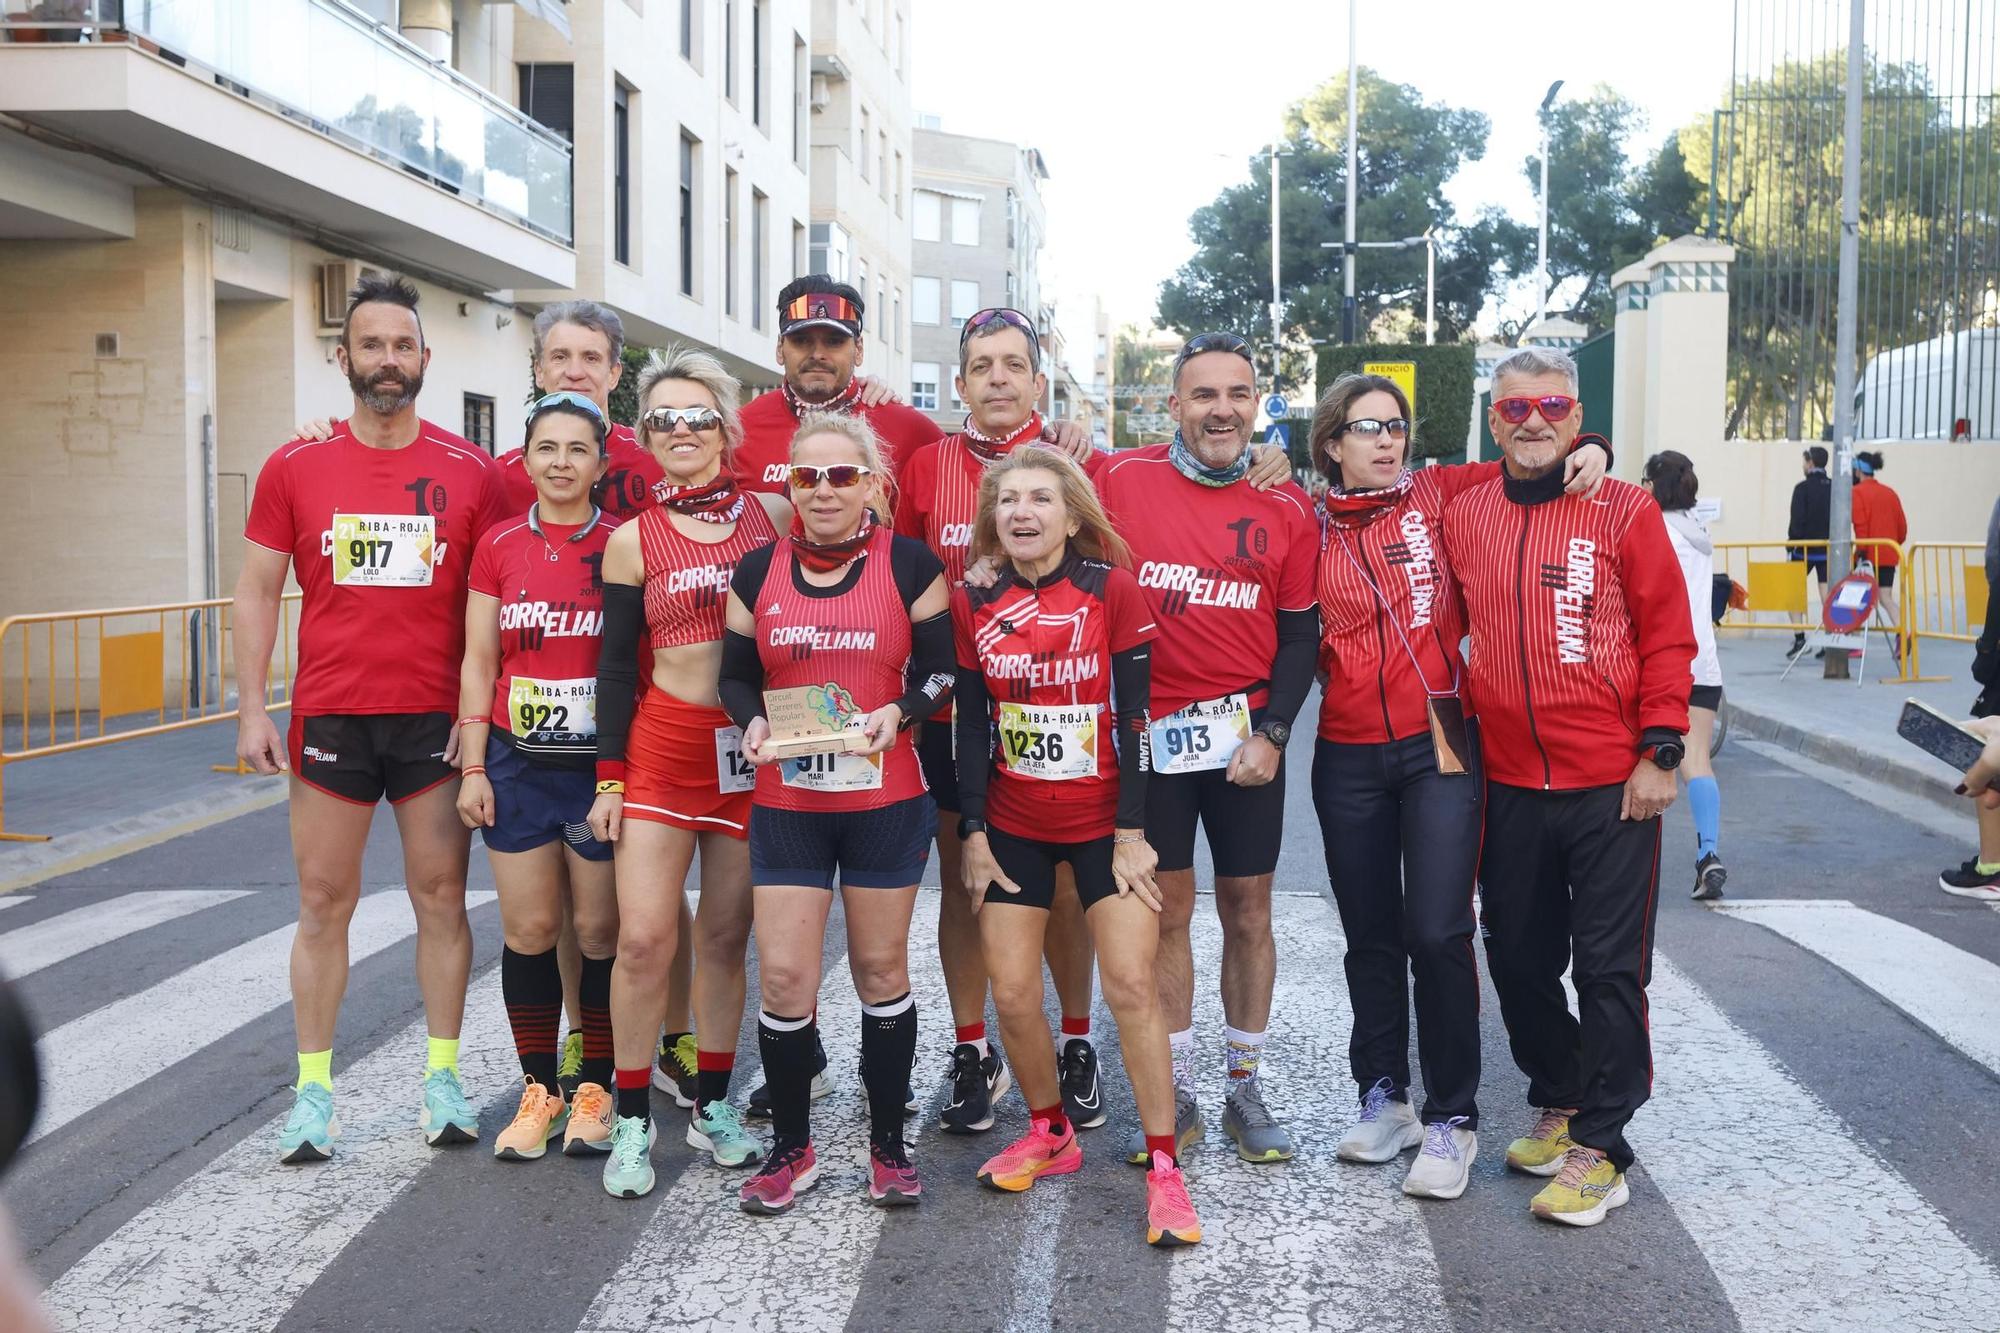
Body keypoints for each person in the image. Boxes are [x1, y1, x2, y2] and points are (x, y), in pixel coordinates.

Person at [294, 299, 698, 1109]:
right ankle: (561, 1067)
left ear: (616, 376)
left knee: (635, 909)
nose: (575, 369)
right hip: (515, 729)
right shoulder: (496, 472)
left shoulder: (657, 463)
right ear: (538, 370)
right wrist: (325, 442)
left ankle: (674, 1034)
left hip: (627, 725)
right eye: (560, 357)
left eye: (592, 357)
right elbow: (463, 572)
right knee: (543, 914)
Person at [1307, 374, 1609, 1201]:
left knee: (1439, 929)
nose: (1387, 440)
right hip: (1345, 754)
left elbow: (1531, 461)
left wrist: (1591, 446)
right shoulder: (1308, 522)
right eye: (1367, 427)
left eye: (1396, 426)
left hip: (1440, 745)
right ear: (1332, 442)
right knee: (1368, 933)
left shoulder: (1440, 493)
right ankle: (1385, 1096)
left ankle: (1453, 1117)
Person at [235, 275, 509, 1162]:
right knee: (323, 901)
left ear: (425, 360)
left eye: (402, 346)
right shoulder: (294, 464)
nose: (387, 361)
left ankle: (442, 1076)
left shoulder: (470, 471)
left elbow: (508, 586)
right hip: (331, 715)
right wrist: (250, 708)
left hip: (434, 716)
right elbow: (256, 588)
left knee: (439, 897)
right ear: (342, 356)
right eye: (371, 345)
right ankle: (313, 1092)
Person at [1441, 346, 1696, 1228]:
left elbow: (1667, 632)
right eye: (1514, 409)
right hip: (1508, 780)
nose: (1534, 422)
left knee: (1608, 968)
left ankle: (1606, 1144)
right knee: (1512, 954)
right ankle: (1559, 1097)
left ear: (1576, 409)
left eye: (1552, 407)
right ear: (1493, 418)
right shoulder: (1465, 511)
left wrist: (1661, 751)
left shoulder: (1622, 509)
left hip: (1613, 783)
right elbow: (1380, 473)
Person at [950, 449, 1200, 1247]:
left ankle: (1165, 1168)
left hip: (1104, 824)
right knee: (1015, 995)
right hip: (1014, 820)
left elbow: (1136, 719)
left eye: (1041, 499)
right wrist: (973, 830)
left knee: (1131, 986)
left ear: (1070, 513)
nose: (1024, 512)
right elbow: (968, 725)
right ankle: (1050, 1130)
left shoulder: (1111, 590)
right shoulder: (974, 600)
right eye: (1010, 499)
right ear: (994, 514)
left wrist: (1134, 833)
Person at [1090, 332, 1320, 1167]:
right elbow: (1029, 493)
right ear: (1174, 405)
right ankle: (1177, 1088)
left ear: (1257, 403)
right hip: (1152, 739)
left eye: (1238, 393)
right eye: (1203, 395)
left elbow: (1300, 639)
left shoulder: (1287, 504)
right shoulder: (1120, 477)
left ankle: (1244, 1084)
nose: (1222, 409)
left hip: (1245, 744)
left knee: (1249, 912)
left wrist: (1273, 733)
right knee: (1172, 914)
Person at [718, 414, 953, 1215]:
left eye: (842, 476)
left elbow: (944, 670)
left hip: (884, 798)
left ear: (872, 485)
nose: (823, 490)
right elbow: (736, 677)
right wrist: (747, 719)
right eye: (807, 477)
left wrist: (905, 711)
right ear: (788, 485)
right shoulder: (757, 570)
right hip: (789, 801)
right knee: (784, 977)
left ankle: (888, 1145)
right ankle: (793, 1150)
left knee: (881, 970)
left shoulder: (910, 562)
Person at [584, 347, 792, 1198]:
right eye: (662, 417)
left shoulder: (773, 513)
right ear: (645, 432)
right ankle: (633, 1119)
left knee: (723, 938)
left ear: (724, 428)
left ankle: (712, 1102)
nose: (679, 430)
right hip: (663, 751)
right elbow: (616, 669)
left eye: (695, 416)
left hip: (750, 753)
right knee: (642, 940)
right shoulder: (633, 539)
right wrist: (608, 779)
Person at [895, 308, 1099, 1134]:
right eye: (982, 366)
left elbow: (1109, 560)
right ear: (961, 384)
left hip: (1058, 710)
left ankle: (1077, 1042)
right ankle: (973, 1048)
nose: (999, 379)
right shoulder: (924, 466)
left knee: (1062, 891)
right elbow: (899, 575)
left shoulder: (1076, 459)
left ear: (1038, 380)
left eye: (1013, 364)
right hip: (957, 708)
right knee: (965, 880)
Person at [456, 392, 622, 1160]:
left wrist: (622, 776)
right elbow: (480, 660)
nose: (561, 462)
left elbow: (632, 665)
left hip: (594, 774)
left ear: (600, 461)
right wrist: (472, 763)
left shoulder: (624, 544)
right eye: (547, 448)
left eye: (577, 448)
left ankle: (596, 1085)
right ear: (525, 459)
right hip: (516, 767)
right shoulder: (497, 546)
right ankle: (538, 1090)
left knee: (595, 930)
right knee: (528, 929)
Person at [1644, 451, 1729, 901]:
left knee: (1639, 760)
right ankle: (1708, 853)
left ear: (1655, 486)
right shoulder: (1700, 531)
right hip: (1705, 663)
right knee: (1697, 759)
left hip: (1662, 660)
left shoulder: (1653, 529)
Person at [1850, 451, 1908, 658]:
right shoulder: (1890, 493)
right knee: (1885, 596)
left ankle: (1856, 644)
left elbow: (1861, 525)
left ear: (1857, 471)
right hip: (1889, 552)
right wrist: (1891, 545)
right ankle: (1903, 632)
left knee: (1860, 597)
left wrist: (1862, 552)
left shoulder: (1856, 492)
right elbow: (1902, 527)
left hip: (1868, 554)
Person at [1787, 446, 1832, 658]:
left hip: (1802, 550)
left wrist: (1791, 545)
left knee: (1792, 593)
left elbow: (1797, 521)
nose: (1803, 465)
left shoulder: (1802, 488)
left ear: (1810, 463)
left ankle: (1800, 639)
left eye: (1804, 461)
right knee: (1827, 596)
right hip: (1827, 549)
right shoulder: (1834, 487)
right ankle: (1830, 639)